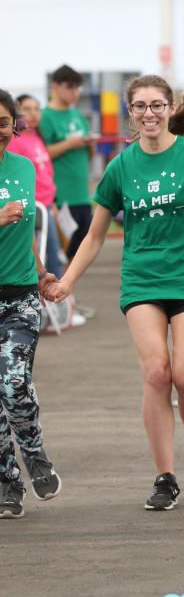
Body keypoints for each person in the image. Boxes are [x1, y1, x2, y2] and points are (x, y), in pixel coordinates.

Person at [46, 76, 184, 511]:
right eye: (140, 106)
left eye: (157, 105)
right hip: (142, 281)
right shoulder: (121, 167)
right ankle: (165, 476)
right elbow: (95, 235)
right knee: (157, 372)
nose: (149, 113)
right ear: (131, 114)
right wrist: (67, 282)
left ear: (171, 108)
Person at [0, 88, 60, 518]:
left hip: (20, 294)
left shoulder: (22, 165)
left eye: (3, 121)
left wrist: (41, 273)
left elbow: (21, 234)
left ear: (13, 125)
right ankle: (8, 483)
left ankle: (34, 450)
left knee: (13, 382)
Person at [39, 65, 94, 261]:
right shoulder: (45, 117)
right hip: (60, 197)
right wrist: (69, 143)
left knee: (80, 252)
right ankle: (63, 291)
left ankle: (66, 291)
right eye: (70, 86)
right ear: (55, 86)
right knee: (59, 255)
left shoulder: (78, 116)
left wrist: (90, 146)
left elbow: (87, 157)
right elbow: (40, 155)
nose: (75, 92)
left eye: (78, 87)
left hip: (82, 196)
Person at [9, 95, 63, 278]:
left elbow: (46, 171)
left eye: (36, 108)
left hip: (47, 203)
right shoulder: (15, 141)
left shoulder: (38, 136)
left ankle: (60, 298)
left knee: (53, 253)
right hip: (34, 205)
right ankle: (57, 296)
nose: (33, 113)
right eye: (27, 109)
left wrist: (53, 202)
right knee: (49, 254)